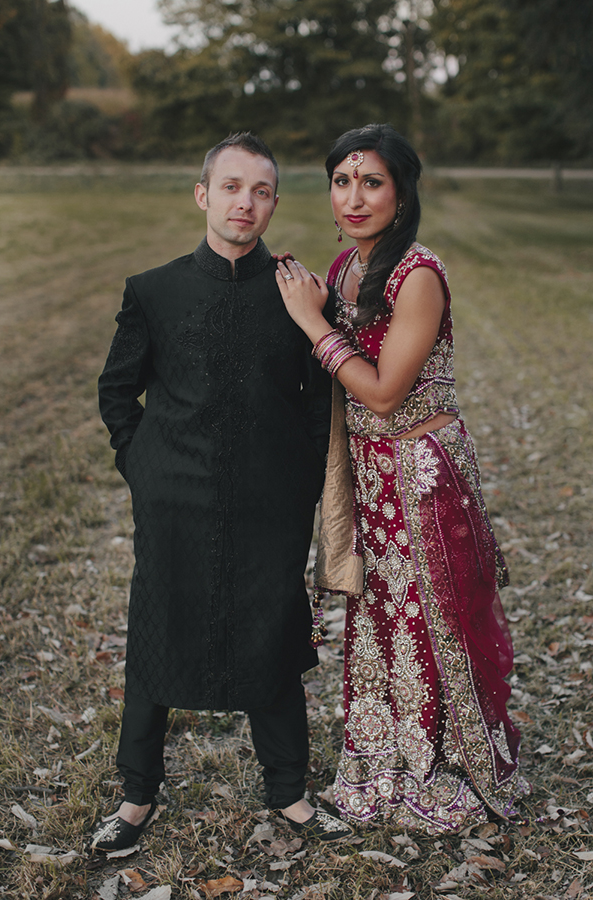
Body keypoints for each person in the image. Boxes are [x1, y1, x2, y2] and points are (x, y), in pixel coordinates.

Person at [92, 132, 353, 851]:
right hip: (173, 497)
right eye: (232, 187)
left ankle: (291, 794)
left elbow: (316, 401)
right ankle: (137, 797)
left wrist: (298, 483)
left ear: (274, 203)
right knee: (156, 632)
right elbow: (119, 391)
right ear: (203, 195)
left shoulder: (299, 294)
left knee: (272, 632)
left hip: (272, 504)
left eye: (262, 190)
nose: (246, 202)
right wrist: (140, 465)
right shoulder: (154, 289)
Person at [275, 123, 529, 833]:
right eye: (341, 181)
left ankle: (447, 769)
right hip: (369, 473)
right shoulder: (347, 270)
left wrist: (310, 323)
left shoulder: (416, 274)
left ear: (403, 192)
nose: (353, 197)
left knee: (435, 615)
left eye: (372, 182)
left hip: (420, 472)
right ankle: (383, 757)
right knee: (381, 612)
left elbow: (385, 392)